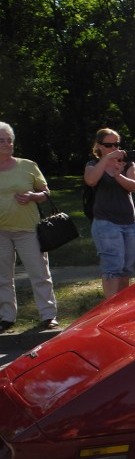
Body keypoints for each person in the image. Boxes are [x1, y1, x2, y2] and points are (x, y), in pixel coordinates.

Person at [0, 121, 58, 331]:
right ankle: (6, 317)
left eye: (10, 140)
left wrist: (34, 196)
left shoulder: (27, 165)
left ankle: (48, 315)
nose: (7, 144)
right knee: (2, 277)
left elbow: (46, 193)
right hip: (0, 232)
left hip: (28, 230)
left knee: (40, 274)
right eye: (2, 141)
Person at [84, 127, 135, 299]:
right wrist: (106, 160)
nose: (113, 149)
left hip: (130, 222)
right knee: (112, 268)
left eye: (116, 145)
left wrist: (118, 175)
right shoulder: (93, 165)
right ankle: (110, 309)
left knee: (126, 268)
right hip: (106, 223)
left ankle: (121, 307)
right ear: (98, 146)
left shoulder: (128, 164)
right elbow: (91, 180)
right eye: (108, 145)